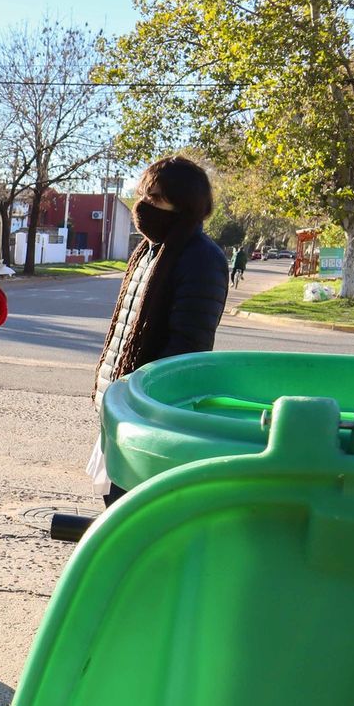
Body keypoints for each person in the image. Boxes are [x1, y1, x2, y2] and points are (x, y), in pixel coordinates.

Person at [92, 155, 229, 506]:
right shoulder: (147, 252)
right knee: (113, 503)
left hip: (148, 418)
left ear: (183, 205)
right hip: (122, 408)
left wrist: (140, 398)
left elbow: (187, 346)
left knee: (133, 512)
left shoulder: (201, 259)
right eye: (143, 196)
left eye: (154, 199)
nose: (142, 206)